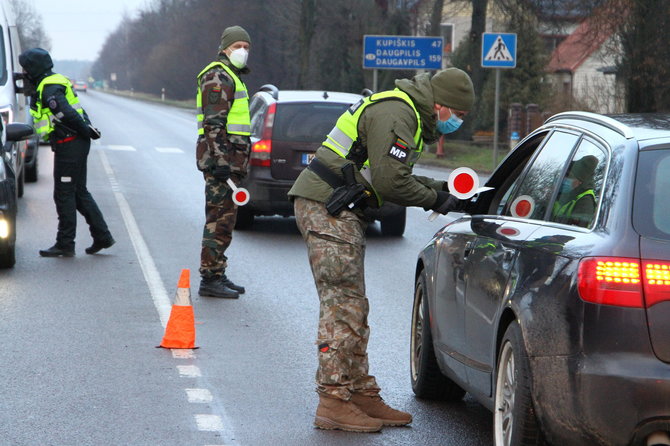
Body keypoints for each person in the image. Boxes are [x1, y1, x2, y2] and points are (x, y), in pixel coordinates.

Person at [288, 68, 476, 432]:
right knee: (342, 307)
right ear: (440, 104)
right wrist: (438, 199)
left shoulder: (408, 112)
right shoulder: (398, 112)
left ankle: (358, 392)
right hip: (326, 207)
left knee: (354, 306)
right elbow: (391, 183)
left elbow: (389, 173)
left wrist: (447, 191)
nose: (459, 122)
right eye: (459, 114)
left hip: (338, 208)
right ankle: (333, 399)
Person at [19, 48, 114, 258]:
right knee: (78, 193)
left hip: (70, 144)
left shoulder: (50, 87)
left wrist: (85, 130)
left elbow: (67, 113)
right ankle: (103, 237)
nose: (24, 71)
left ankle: (65, 244)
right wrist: (85, 131)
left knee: (63, 194)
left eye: (25, 68)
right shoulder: (52, 81)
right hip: (72, 143)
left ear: (34, 68)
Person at [196, 26, 252, 299]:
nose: (243, 51)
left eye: (247, 46)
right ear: (226, 48)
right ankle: (209, 277)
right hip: (222, 162)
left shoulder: (233, 76)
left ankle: (217, 271)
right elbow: (213, 123)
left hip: (231, 161)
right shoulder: (217, 76)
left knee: (226, 220)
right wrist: (221, 160)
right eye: (238, 45)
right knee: (217, 220)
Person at [552, 155, 598, 227]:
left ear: (580, 182)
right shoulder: (561, 193)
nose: (565, 179)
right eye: (565, 175)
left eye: (570, 177)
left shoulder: (586, 200)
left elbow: (575, 231)